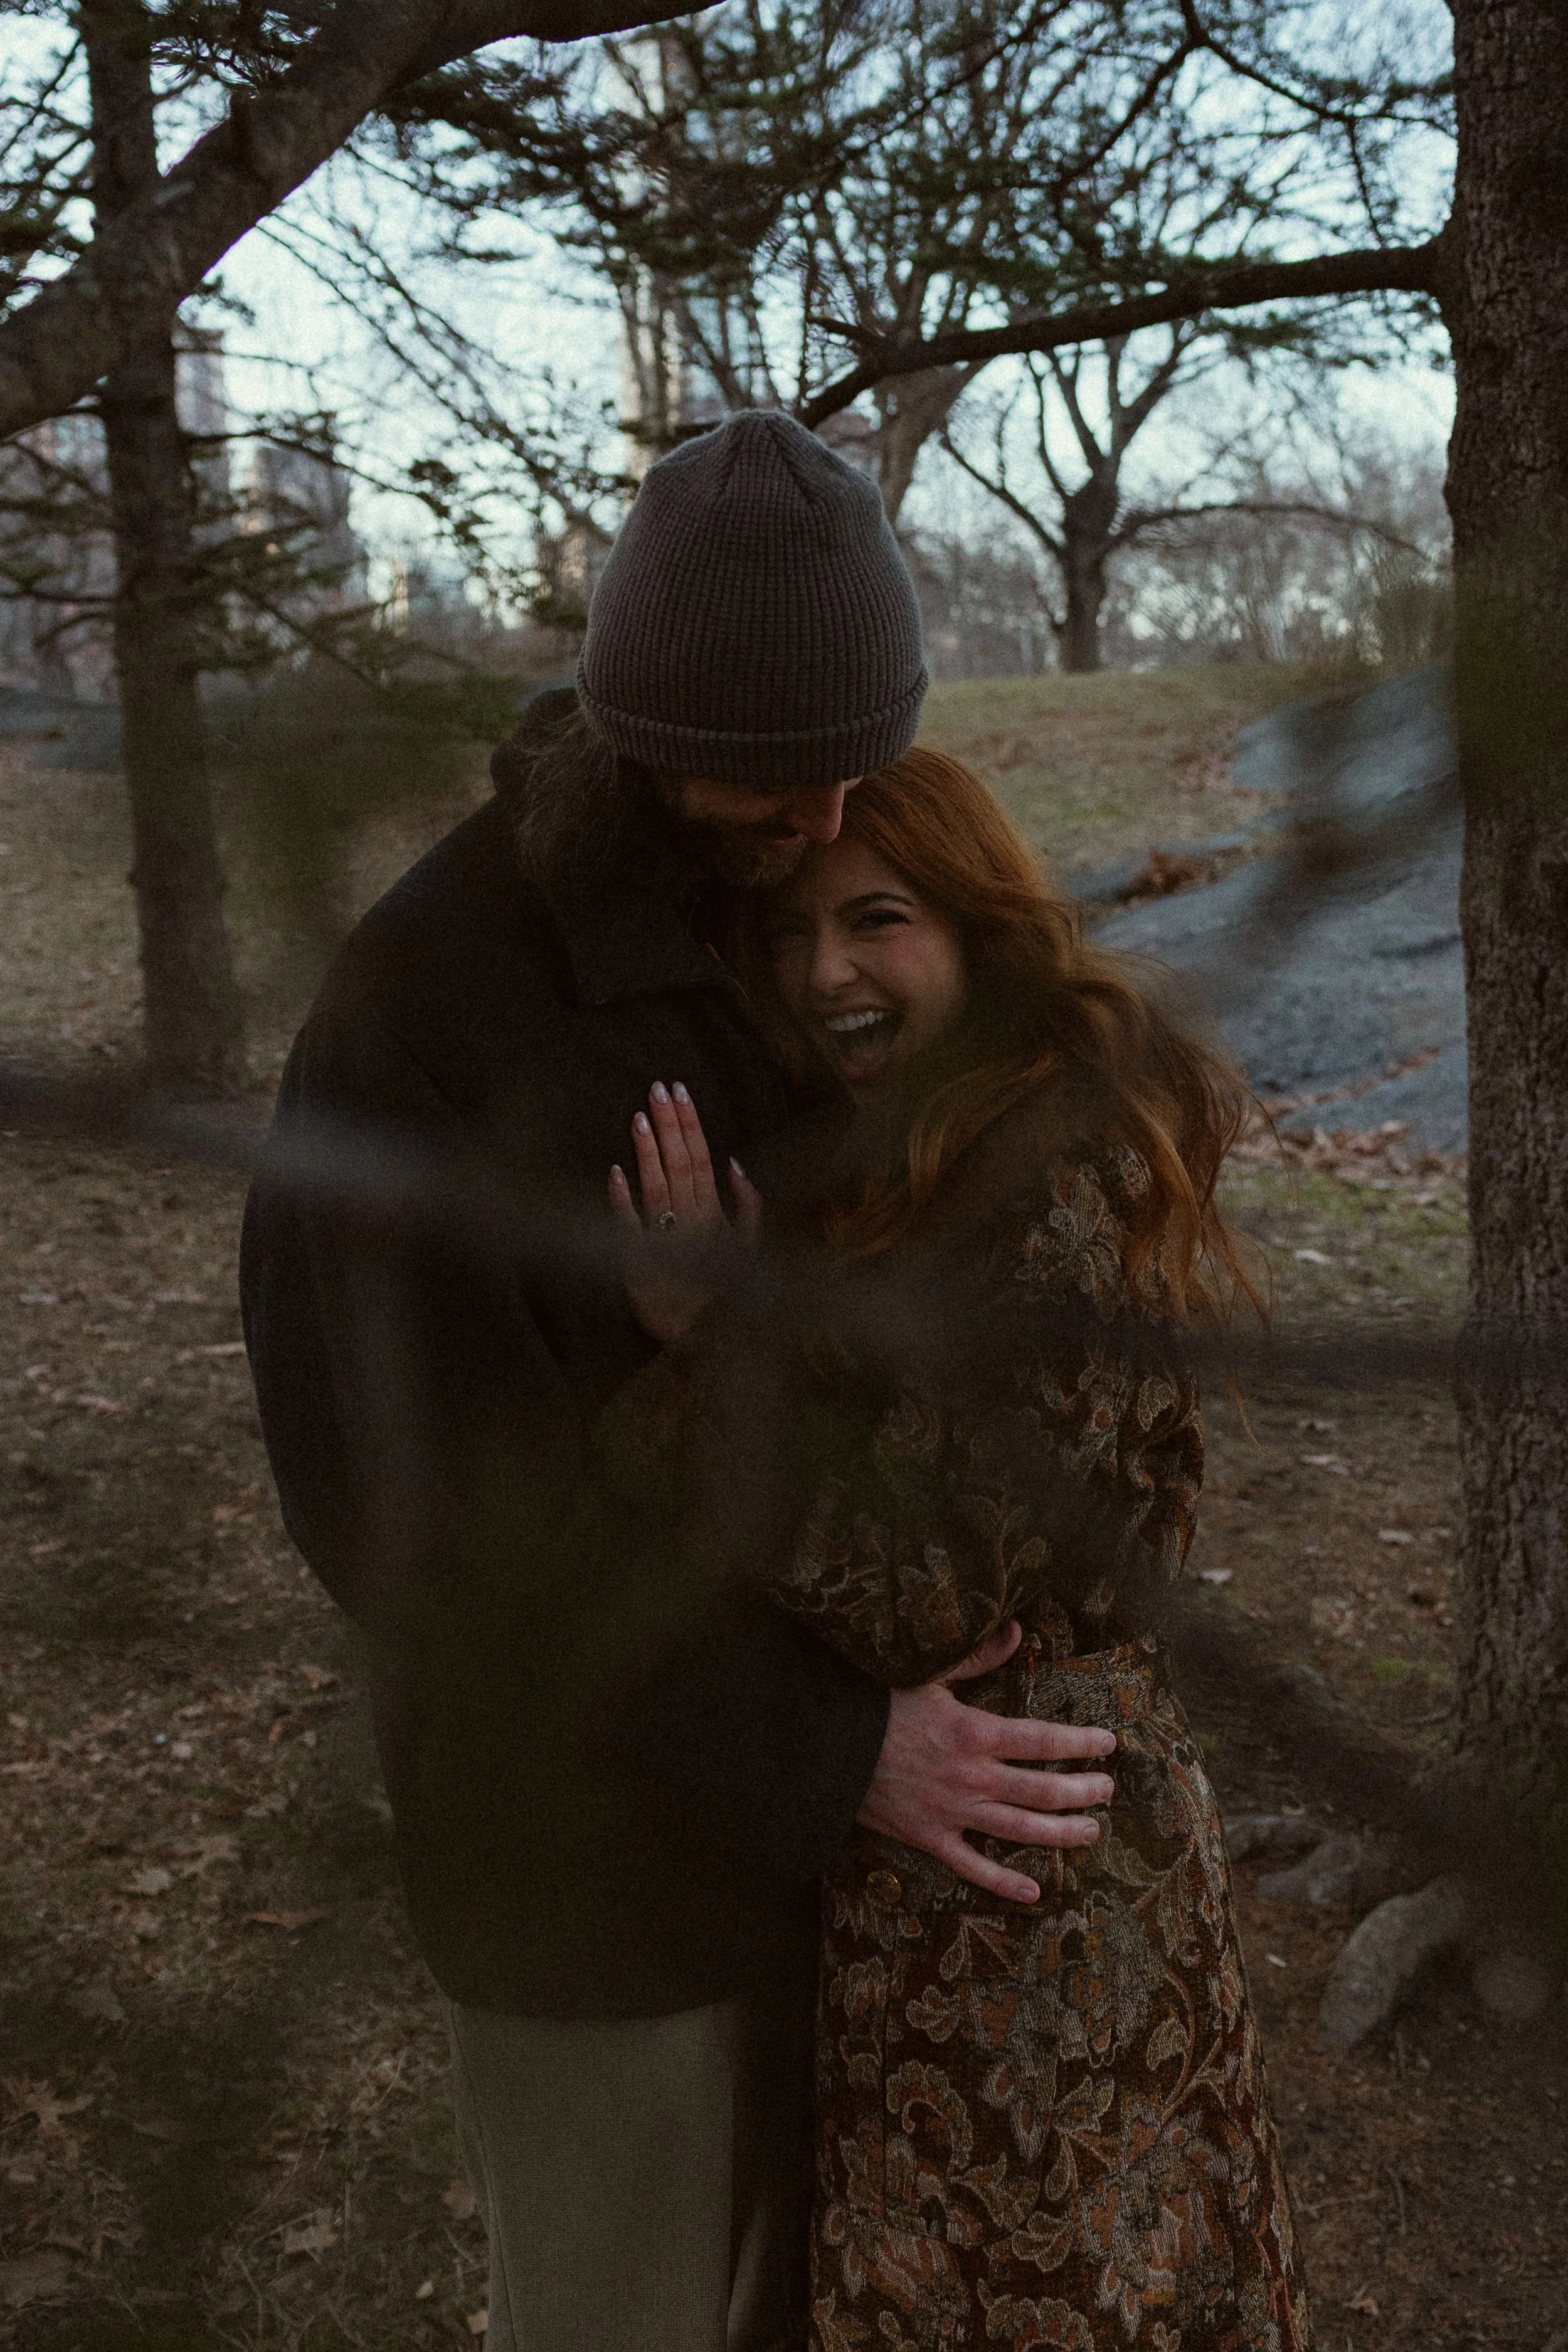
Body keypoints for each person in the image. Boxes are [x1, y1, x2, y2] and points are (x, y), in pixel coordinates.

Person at [240, 412, 1115, 2352]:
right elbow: (432, 1544)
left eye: (848, 767)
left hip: (814, 1874)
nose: (821, 821)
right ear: (654, 734)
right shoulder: (427, 1024)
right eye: (777, 782)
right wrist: (837, 1751)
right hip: (597, 1889)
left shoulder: (757, 930)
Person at [608, 746, 1312, 2350]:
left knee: (1057, 2291)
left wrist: (704, 1350)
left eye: (877, 920)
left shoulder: (1046, 1176)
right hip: (975, 1841)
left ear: (981, 929)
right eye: (786, 933)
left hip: (1035, 1861)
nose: (825, 973)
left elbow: (922, 1594)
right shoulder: (929, 1156)